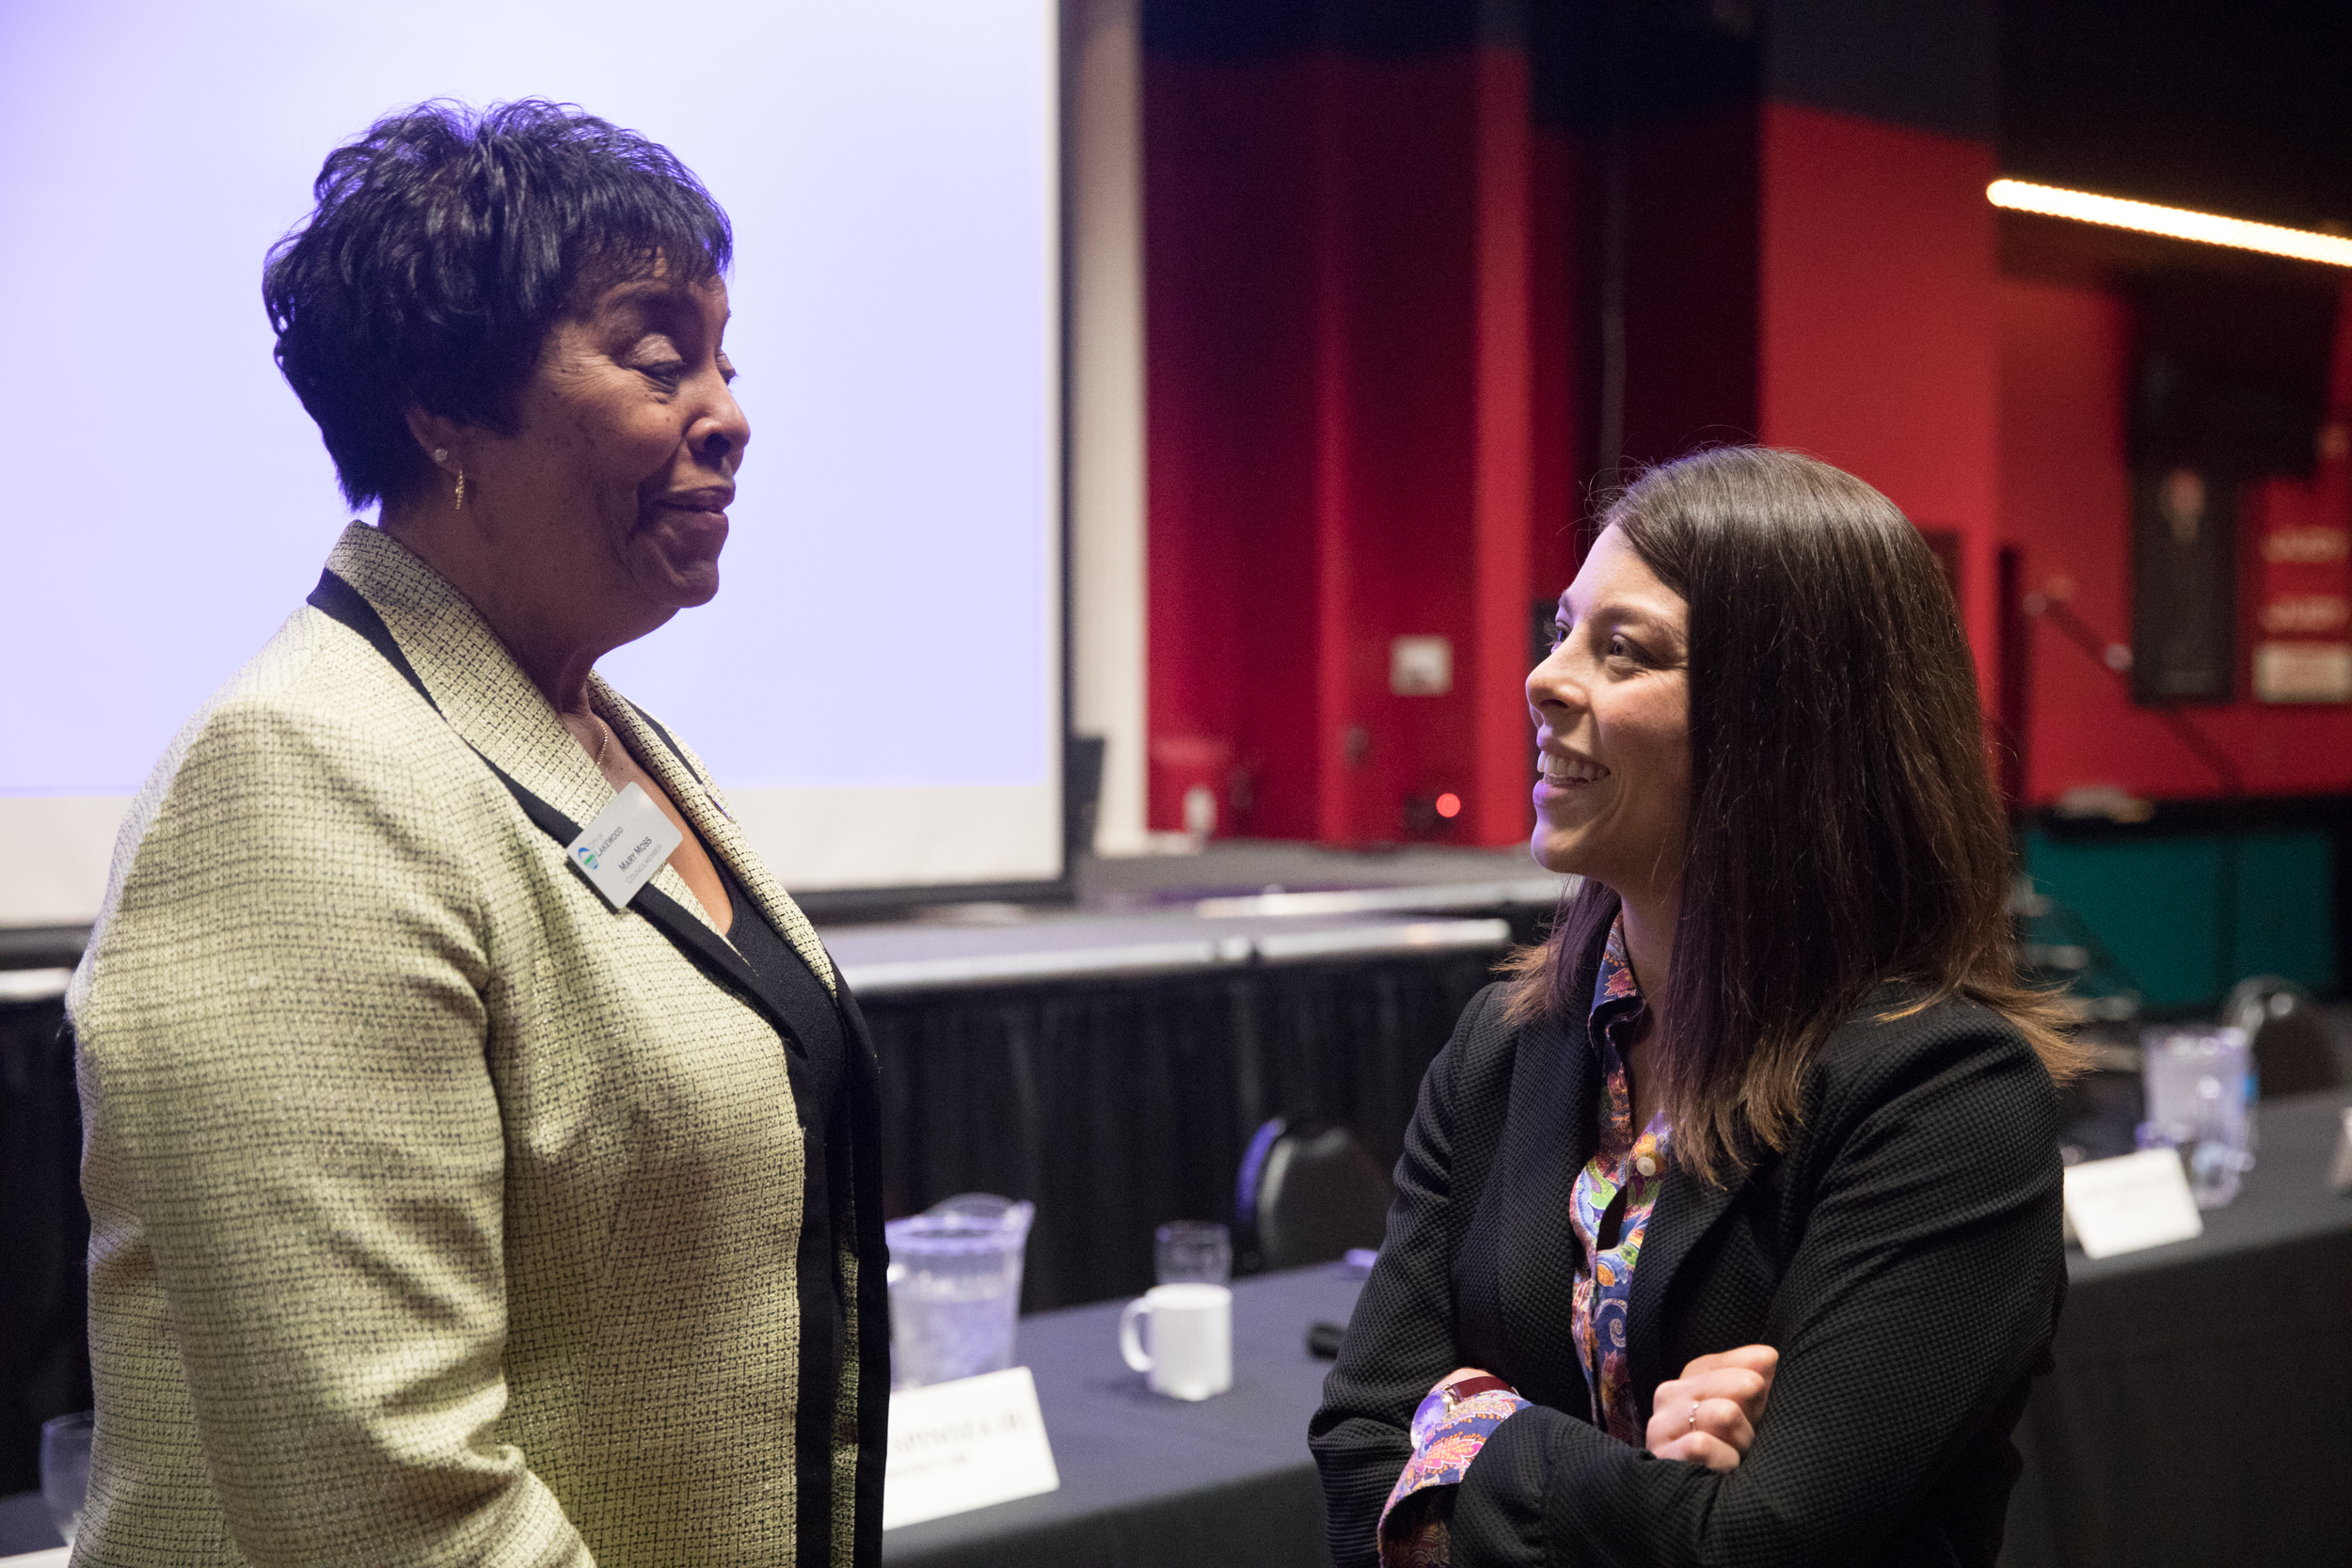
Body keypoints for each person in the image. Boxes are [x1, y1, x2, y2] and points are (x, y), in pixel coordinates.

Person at [67, 102, 887, 1567]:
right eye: (656, 355)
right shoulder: (297, 776)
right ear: (442, 399)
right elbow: (389, 1497)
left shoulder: (592, 731)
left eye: (723, 355)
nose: (729, 411)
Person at [1309, 447, 2084, 1567]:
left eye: (1622, 649)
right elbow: (1355, 1463)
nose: (1545, 677)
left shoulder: (1943, 1100)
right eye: (1561, 628)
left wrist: (1472, 1430)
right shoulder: (1502, 1048)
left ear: (1788, 732)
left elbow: (1757, 1543)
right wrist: (1638, 1481)